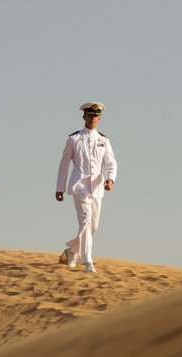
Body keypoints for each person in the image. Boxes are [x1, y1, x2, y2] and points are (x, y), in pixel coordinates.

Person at [56, 102, 118, 274]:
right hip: (79, 187)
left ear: (99, 119)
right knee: (84, 222)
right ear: (84, 117)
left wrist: (110, 179)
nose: (93, 119)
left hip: (97, 188)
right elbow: (63, 164)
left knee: (93, 227)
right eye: (90, 115)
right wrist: (59, 187)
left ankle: (71, 252)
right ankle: (87, 261)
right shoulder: (74, 139)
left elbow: (111, 163)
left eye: (96, 116)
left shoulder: (104, 140)